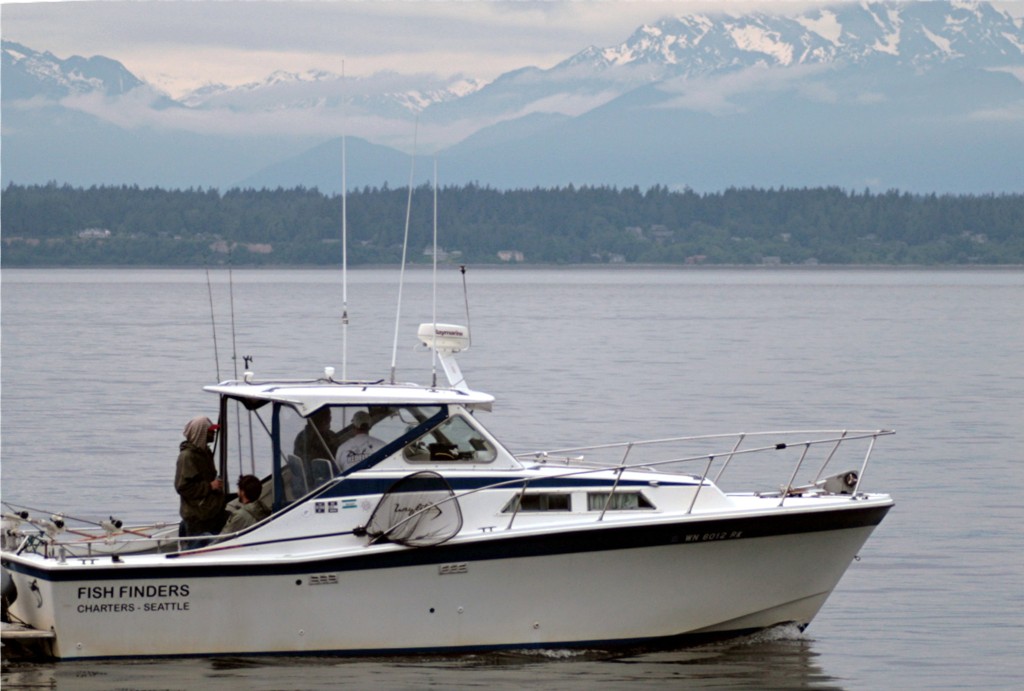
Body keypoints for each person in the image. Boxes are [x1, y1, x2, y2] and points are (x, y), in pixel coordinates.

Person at [175, 416, 227, 543]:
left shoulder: (205, 452)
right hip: (196, 517)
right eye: (210, 431)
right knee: (195, 549)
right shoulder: (187, 457)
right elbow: (183, 487)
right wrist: (210, 486)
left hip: (209, 513)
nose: (214, 432)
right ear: (201, 433)